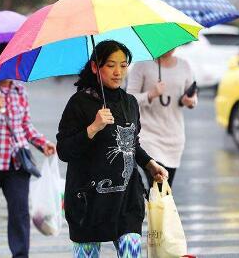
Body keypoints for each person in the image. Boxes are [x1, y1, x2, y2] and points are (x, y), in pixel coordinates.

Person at [56, 40, 168, 258]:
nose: (118, 72)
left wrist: (149, 163)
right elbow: (64, 150)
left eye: (124, 65)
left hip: (126, 199)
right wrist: (92, 128)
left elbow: (131, 143)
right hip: (88, 201)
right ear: (95, 67)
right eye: (110, 65)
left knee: (131, 251)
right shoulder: (78, 103)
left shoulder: (130, 102)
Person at [0, 43, 56, 258]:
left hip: (17, 161)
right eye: (3, 61)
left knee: (20, 212)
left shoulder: (19, 90)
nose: (8, 65)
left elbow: (25, 125)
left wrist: (43, 143)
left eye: (11, 61)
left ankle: (20, 254)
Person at [126, 50, 197, 188]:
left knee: (165, 190)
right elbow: (129, 99)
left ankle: (154, 209)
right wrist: (151, 94)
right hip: (149, 137)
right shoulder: (142, 65)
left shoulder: (184, 65)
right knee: (158, 187)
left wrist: (190, 101)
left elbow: (193, 97)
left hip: (174, 138)